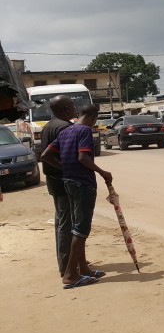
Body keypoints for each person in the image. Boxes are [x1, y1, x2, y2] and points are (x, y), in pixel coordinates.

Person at [39, 104, 112, 289]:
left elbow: (46, 155)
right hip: (83, 184)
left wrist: (64, 167)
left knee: (75, 228)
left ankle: (84, 269)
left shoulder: (66, 131)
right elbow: (83, 158)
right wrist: (103, 173)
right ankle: (71, 275)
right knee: (81, 229)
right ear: (94, 118)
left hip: (68, 182)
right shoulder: (85, 131)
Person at [38, 95, 77, 278]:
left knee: (61, 221)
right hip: (63, 181)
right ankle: (67, 266)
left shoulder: (49, 126)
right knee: (66, 223)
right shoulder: (65, 127)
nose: (74, 108)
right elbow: (46, 155)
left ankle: (67, 261)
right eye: (72, 105)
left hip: (54, 181)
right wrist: (66, 169)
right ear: (66, 108)